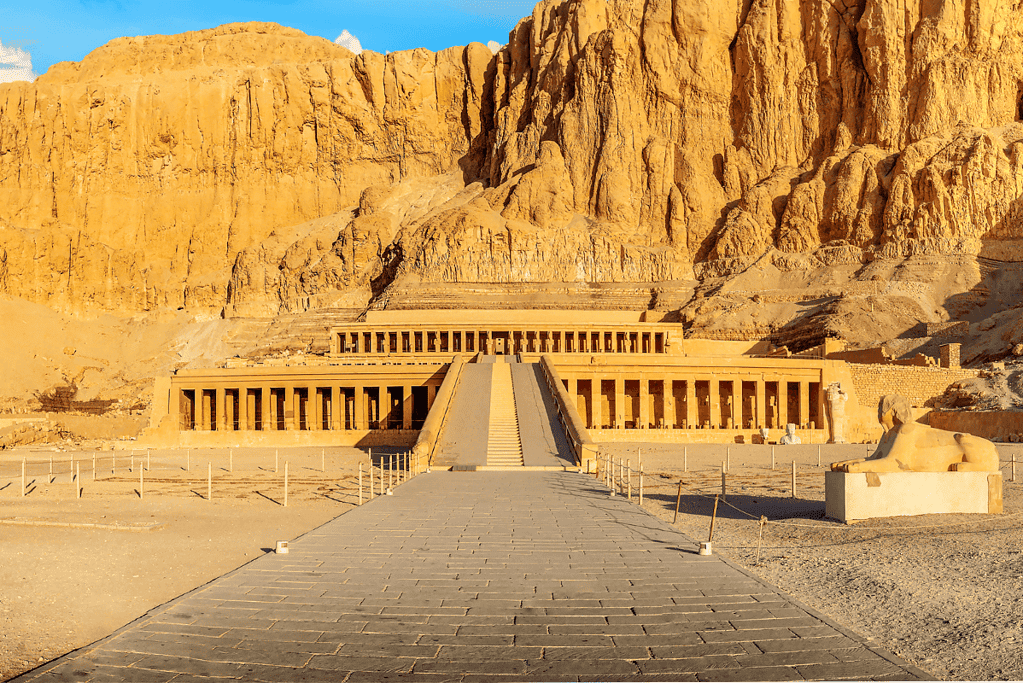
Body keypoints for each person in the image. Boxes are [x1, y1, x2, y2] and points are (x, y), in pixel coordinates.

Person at [831, 394, 998, 473]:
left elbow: (894, 464)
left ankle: (980, 466)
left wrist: (858, 468)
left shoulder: (906, 429)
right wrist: (847, 463)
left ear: (894, 411)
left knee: (963, 439)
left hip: (980, 453)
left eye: (882, 408)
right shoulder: (889, 433)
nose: (878, 412)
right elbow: (875, 459)